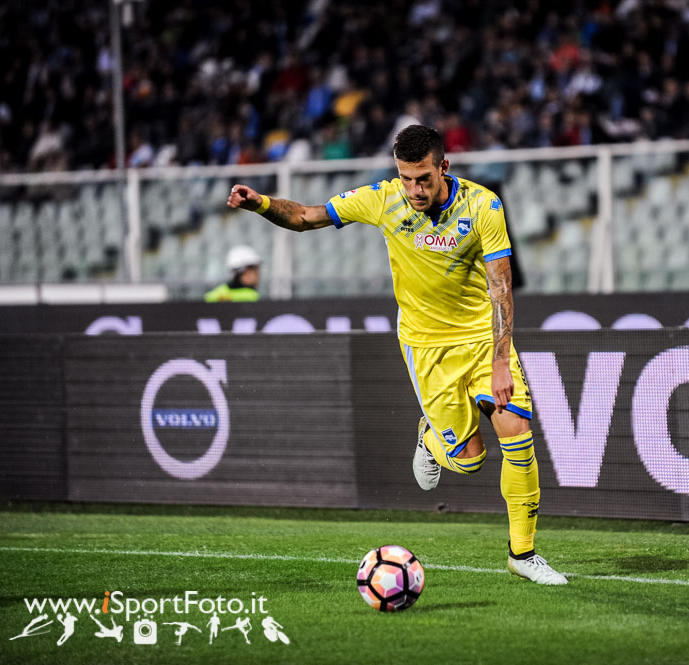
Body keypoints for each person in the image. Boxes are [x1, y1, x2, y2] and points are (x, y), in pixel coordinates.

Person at [227, 125, 566, 585]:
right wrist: (261, 204)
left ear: (443, 168)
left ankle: (522, 554)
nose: (414, 189)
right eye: (406, 178)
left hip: (481, 342)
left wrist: (501, 361)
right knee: (469, 461)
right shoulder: (383, 199)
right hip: (426, 349)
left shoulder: (482, 206)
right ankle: (430, 438)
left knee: (518, 434)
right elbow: (306, 216)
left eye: (423, 178)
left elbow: (500, 286)